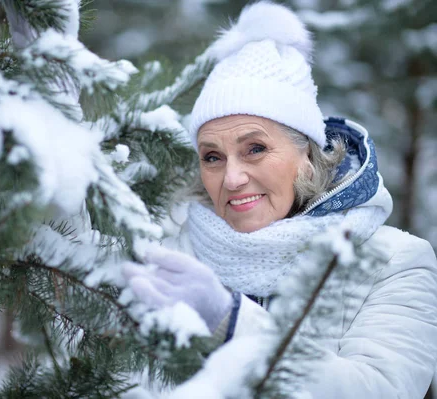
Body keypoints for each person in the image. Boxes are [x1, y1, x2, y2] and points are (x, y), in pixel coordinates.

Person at [122, 1, 437, 398]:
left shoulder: (395, 262)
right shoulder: (174, 258)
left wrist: (231, 321)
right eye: (213, 157)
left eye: (255, 148)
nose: (232, 178)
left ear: (307, 156)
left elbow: (378, 389)